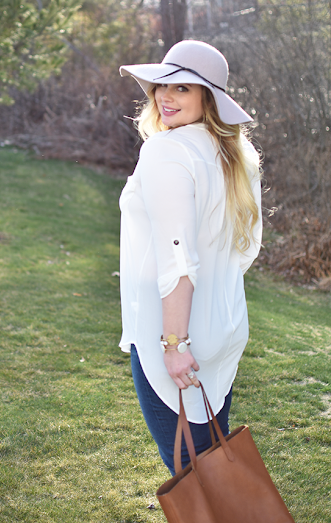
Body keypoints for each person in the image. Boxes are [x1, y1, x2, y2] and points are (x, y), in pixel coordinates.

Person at [118, 40, 262, 476]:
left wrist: (174, 343)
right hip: (224, 326)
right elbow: (246, 248)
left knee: (192, 476)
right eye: (163, 85)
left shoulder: (167, 151)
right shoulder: (235, 155)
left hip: (178, 339)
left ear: (208, 99)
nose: (165, 96)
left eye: (182, 88)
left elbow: (178, 259)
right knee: (213, 466)